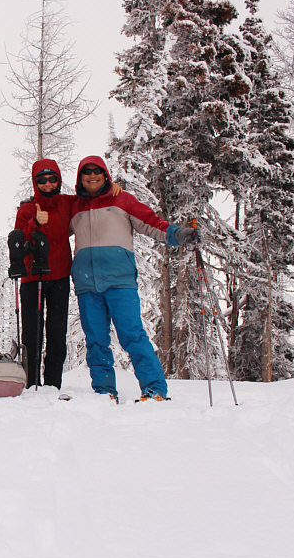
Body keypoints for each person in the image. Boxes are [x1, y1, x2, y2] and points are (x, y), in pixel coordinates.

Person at [69, 155, 199, 402]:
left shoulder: (122, 200)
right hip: (87, 285)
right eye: (87, 172)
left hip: (120, 281)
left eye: (97, 171)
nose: (92, 176)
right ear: (80, 178)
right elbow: (53, 223)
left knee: (132, 335)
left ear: (105, 175)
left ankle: (154, 388)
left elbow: (151, 222)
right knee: (96, 341)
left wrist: (177, 234)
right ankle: (104, 392)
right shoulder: (74, 207)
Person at [12, 159, 122, 389]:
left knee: (57, 335)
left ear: (59, 180)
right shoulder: (26, 209)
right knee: (33, 335)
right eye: (42, 180)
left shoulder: (68, 203)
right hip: (33, 279)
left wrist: (111, 189)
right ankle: (31, 385)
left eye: (53, 179)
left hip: (60, 277)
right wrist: (34, 222)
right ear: (35, 182)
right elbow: (19, 242)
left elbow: (92, 198)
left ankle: (53, 386)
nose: (49, 184)